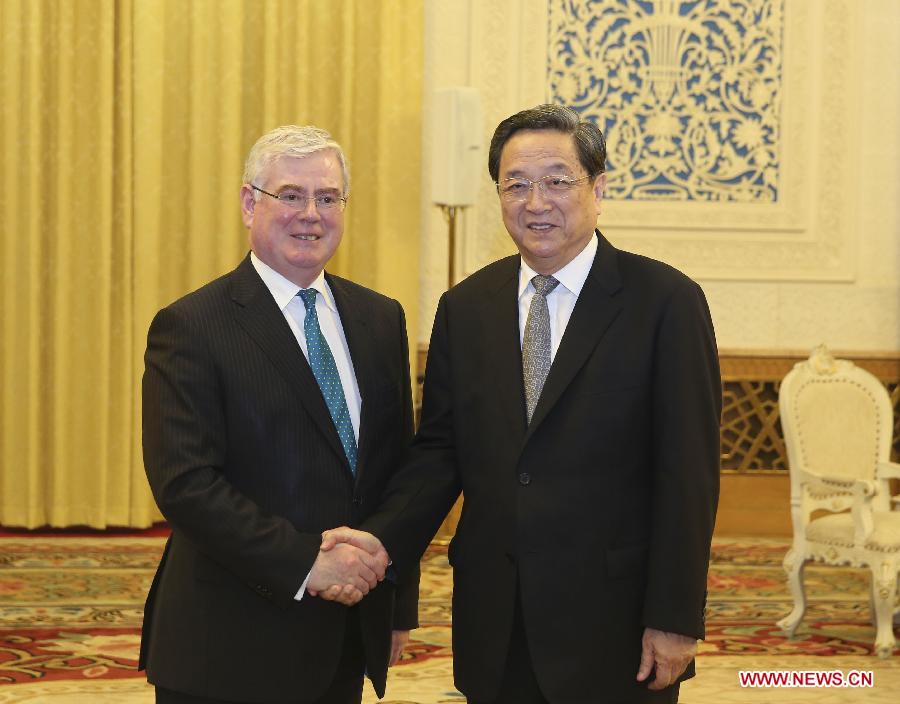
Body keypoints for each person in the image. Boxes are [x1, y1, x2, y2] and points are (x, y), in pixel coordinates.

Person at [322, 105, 722, 703]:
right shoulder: (467, 308)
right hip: (494, 619)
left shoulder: (664, 302)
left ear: (599, 187)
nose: (536, 202)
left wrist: (675, 615)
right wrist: (380, 544)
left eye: (558, 181)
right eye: (517, 185)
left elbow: (689, 475)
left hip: (613, 625)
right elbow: (438, 456)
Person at [139, 125, 418, 704]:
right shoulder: (192, 325)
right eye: (290, 195)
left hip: (344, 634)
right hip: (228, 644)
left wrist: (395, 602)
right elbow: (185, 484)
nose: (310, 214)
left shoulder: (380, 319)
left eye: (328, 197)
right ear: (249, 203)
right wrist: (304, 564)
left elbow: (398, 471)